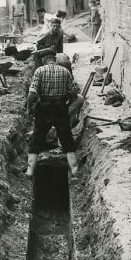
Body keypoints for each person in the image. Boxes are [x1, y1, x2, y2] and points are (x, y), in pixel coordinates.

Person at [26, 49, 79, 178]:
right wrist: (66, 102)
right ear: (54, 59)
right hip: (60, 108)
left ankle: (29, 172)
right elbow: (74, 93)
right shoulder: (65, 71)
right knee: (67, 139)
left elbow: (32, 93)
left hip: (44, 107)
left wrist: (29, 108)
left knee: (37, 138)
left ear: (44, 59)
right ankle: (75, 171)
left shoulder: (40, 71)